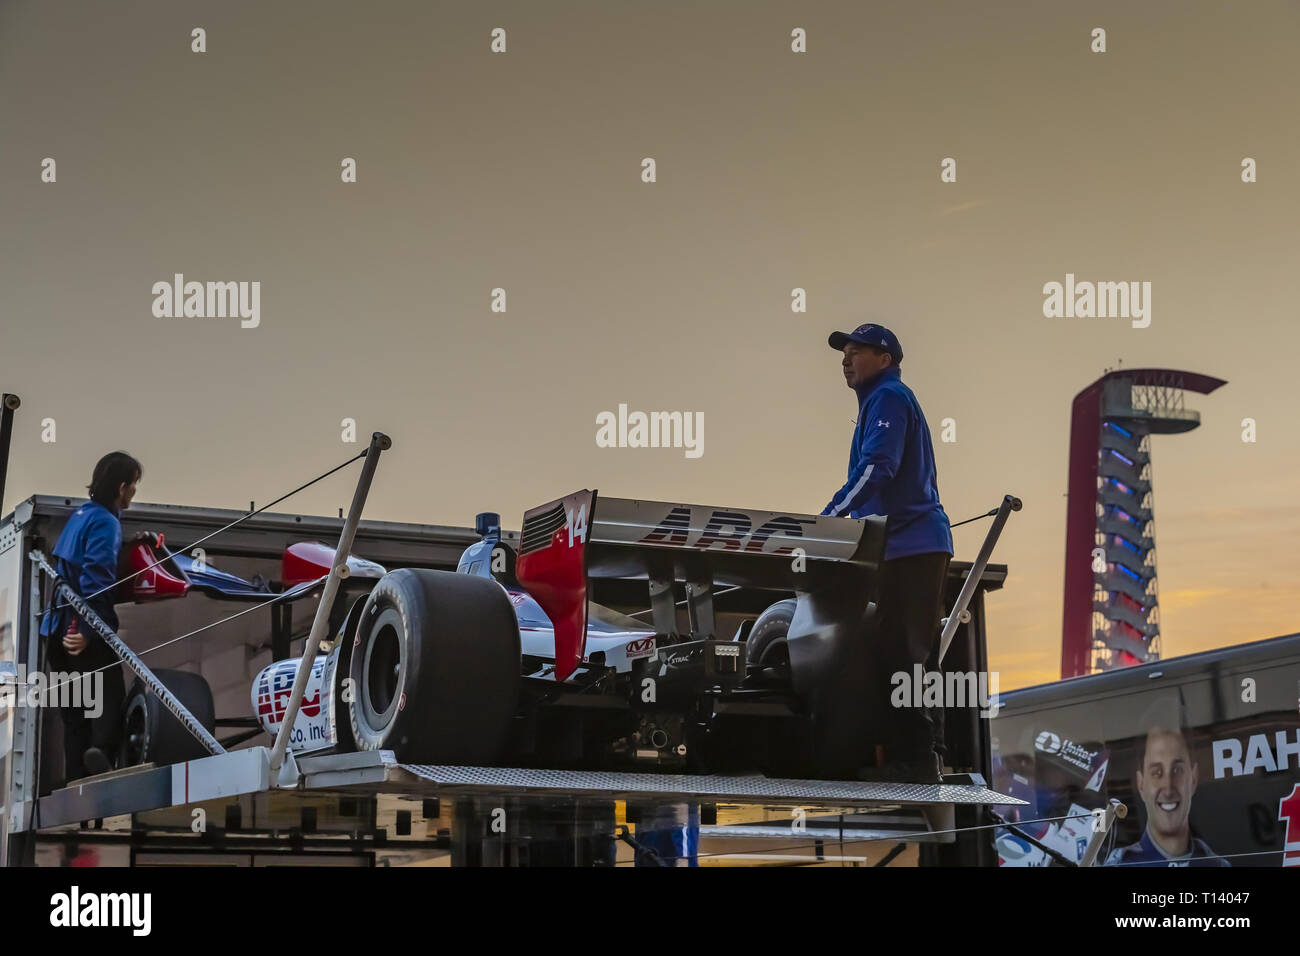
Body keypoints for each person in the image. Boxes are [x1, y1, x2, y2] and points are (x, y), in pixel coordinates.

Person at [820, 323, 953, 783]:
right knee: (908, 650)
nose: (845, 359)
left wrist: (829, 517)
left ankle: (917, 762)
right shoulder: (880, 402)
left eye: (856, 351)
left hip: (911, 546)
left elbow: (878, 469)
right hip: (907, 546)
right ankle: (926, 754)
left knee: (902, 651)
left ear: (886, 358)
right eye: (844, 353)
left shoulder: (889, 400)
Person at [39, 451, 144, 780]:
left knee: (74, 713)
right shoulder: (105, 521)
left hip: (55, 630)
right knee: (110, 694)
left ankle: (77, 779)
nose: (134, 493)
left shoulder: (82, 515)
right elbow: (96, 578)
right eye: (134, 486)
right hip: (79, 627)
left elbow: (75, 566)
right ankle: (101, 754)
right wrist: (89, 630)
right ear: (122, 486)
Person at [1105, 722, 1229, 867]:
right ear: (1141, 784)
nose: (1168, 789)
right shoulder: (1120, 864)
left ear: (1194, 779)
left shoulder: (1217, 865)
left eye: (1177, 770)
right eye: (1156, 772)